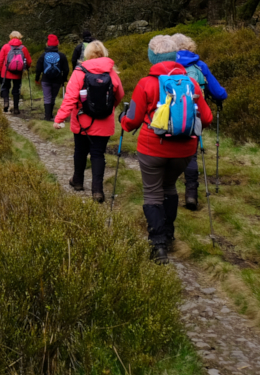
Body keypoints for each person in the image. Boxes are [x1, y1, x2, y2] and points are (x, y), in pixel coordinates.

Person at [121, 34, 214, 264]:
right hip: (184, 150)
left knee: (152, 192)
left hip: (152, 148)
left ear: (152, 57)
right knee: (170, 187)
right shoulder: (190, 82)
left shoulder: (146, 83)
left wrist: (123, 120)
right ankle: (169, 235)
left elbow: (131, 121)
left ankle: (158, 244)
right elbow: (208, 118)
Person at [53, 40, 124, 203]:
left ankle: (77, 181)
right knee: (98, 154)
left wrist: (60, 118)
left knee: (80, 151)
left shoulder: (80, 72)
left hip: (82, 121)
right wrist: (110, 108)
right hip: (104, 122)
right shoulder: (111, 73)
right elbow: (119, 94)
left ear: (87, 54)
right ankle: (97, 190)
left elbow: (70, 98)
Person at [170, 33, 229, 210]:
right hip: (193, 117)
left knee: (166, 152)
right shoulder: (199, 66)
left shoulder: (166, 66)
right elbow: (219, 93)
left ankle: (166, 190)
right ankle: (191, 195)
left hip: (169, 118)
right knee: (191, 155)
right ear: (190, 47)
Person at [34, 34, 70, 121]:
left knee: (47, 97)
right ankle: (51, 115)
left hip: (45, 79)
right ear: (57, 44)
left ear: (47, 44)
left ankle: (47, 116)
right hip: (57, 80)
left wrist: (37, 78)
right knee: (53, 97)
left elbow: (38, 68)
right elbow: (66, 69)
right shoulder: (62, 56)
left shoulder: (43, 55)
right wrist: (63, 79)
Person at [0, 31, 32, 114]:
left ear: (10, 37)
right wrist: (26, 68)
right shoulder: (23, 48)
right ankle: (16, 108)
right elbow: (29, 61)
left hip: (6, 72)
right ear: (20, 37)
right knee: (16, 90)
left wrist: (0, 71)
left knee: (5, 88)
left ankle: (6, 102)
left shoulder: (5, 47)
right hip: (18, 73)